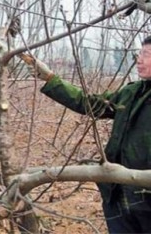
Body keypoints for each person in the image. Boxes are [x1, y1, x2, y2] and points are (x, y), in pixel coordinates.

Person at [20, 34, 151, 233]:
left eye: (147, 54)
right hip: (116, 194)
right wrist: (50, 78)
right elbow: (90, 104)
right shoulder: (131, 92)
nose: (139, 59)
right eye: (140, 53)